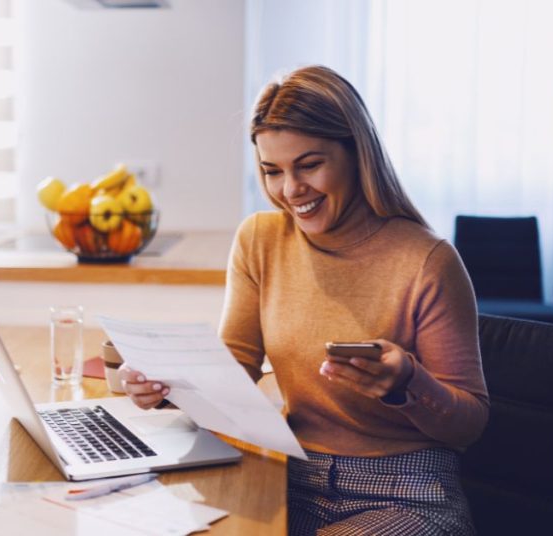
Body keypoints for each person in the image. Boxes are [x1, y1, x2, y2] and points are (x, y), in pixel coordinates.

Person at [120, 65, 489, 535]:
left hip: (406, 493)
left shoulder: (427, 260)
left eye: (309, 165)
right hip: (289, 473)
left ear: (357, 153)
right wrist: (168, 388)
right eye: (273, 171)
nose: (291, 191)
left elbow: (470, 423)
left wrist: (407, 383)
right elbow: (234, 368)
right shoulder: (260, 240)